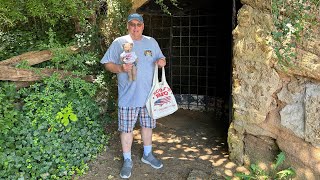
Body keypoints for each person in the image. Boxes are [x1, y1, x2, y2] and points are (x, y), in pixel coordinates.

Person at [100, 13, 167, 179]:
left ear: (143, 26)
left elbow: (161, 57)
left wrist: (162, 62)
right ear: (127, 26)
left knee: (147, 126)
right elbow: (107, 64)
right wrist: (121, 69)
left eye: (138, 24)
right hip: (128, 96)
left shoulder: (151, 42)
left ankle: (147, 154)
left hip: (149, 96)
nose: (135, 27)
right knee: (127, 129)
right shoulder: (119, 43)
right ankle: (127, 160)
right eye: (132, 24)